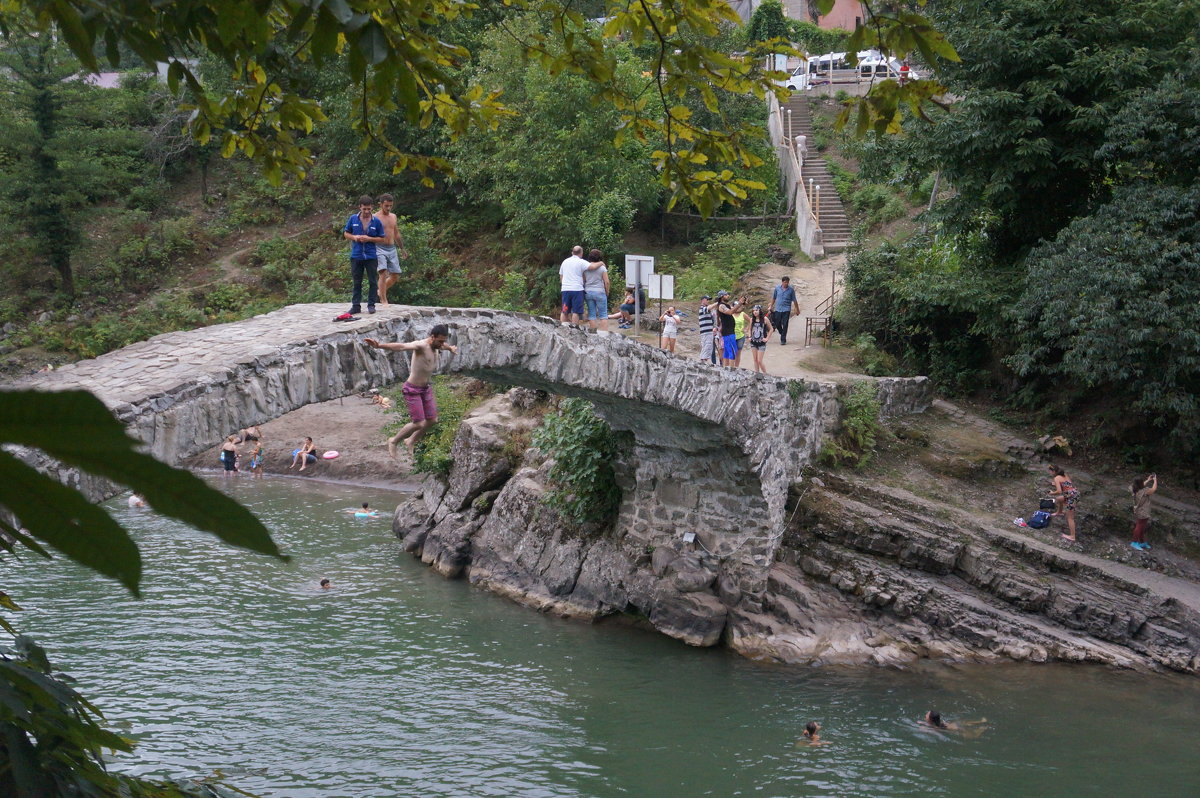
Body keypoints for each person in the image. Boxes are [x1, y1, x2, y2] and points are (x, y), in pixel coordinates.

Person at [364, 323, 459, 458]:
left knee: (432, 420)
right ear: (432, 337)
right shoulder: (421, 346)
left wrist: (450, 348)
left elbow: (444, 346)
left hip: (425, 388)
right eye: (440, 341)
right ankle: (393, 441)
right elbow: (401, 346)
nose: (442, 344)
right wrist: (379, 346)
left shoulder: (438, 345)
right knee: (418, 423)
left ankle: (410, 440)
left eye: (444, 341)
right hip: (412, 389)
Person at [343, 195, 387, 315]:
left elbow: (382, 239)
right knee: (357, 281)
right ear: (360, 207)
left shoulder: (376, 221)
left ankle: (371, 305)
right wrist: (354, 237)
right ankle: (355, 305)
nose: (367, 212)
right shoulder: (353, 219)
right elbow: (346, 233)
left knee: (373, 281)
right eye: (364, 209)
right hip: (356, 255)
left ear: (372, 207)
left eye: (369, 209)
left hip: (371, 256)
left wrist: (369, 238)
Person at [374, 193, 408, 306]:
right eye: (386, 206)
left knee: (395, 275)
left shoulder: (393, 216)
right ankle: (384, 300)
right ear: (380, 204)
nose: (388, 208)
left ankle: (380, 291)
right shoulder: (375, 217)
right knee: (383, 273)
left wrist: (402, 248)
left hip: (392, 248)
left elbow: (396, 233)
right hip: (379, 247)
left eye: (390, 206)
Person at [1048, 464, 1079, 542]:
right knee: (1059, 499)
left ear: (1053, 471)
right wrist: (1057, 484)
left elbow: (1059, 491)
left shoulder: (1056, 478)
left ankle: (1072, 536)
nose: (1049, 472)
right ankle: (1059, 512)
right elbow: (1069, 483)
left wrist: (1052, 493)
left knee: (1070, 518)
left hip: (1071, 497)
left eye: (1050, 471)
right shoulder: (1064, 475)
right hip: (1074, 494)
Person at [559, 245, 589, 323]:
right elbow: (592, 266)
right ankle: (574, 330)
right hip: (577, 289)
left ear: (572, 252)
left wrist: (564, 284)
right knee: (576, 311)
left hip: (566, 289)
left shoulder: (565, 261)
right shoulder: (581, 262)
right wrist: (600, 263)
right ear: (581, 253)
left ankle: (562, 328)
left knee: (564, 310)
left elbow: (561, 275)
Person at [583, 249, 611, 331]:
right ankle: (604, 335)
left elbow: (584, 280)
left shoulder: (586, 267)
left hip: (588, 292)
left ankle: (593, 334)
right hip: (599, 292)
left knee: (592, 314)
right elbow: (607, 282)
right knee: (603, 315)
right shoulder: (602, 268)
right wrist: (607, 291)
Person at [1130, 473, 1158, 551]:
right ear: (1141, 483)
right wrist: (1155, 480)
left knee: (1142, 527)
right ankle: (1134, 542)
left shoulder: (1133, 488)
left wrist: (1148, 480)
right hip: (1143, 512)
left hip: (1138, 510)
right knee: (1139, 526)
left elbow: (1140, 485)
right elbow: (1154, 489)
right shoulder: (1144, 491)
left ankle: (1141, 542)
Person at [770, 276, 800, 345]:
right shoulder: (777, 288)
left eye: (787, 282)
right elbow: (774, 298)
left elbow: (794, 300)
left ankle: (783, 340)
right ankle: (782, 332)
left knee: (785, 324)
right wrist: (771, 306)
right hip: (778, 308)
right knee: (777, 323)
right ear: (782, 282)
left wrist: (797, 309)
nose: (786, 283)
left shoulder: (791, 290)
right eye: (785, 282)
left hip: (786, 309)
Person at [748, 304, 774, 374]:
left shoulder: (765, 319)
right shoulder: (751, 319)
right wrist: (749, 336)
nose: (755, 312)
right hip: (753, 342)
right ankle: (757, 374)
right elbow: (749, 329)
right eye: (753, 311)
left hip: (761, 343)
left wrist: (767, 338)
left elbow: (771, 329)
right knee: (755, 360)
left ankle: (765, 374)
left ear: (760, 311)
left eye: (756, 310)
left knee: (759, 360)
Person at [716, 290, 738, 367]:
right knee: (732, 351)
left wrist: (743, 304)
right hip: (727, 332)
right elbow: (730, 312)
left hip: (730, 331)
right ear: (722, 296)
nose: (728, 296)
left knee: (728, 352)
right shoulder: (721, 306)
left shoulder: (726, 305)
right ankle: (732, 370)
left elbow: (737, 310)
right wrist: (740, 303)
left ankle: (725, 369)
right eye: (726, 295)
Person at [697, 295, 717, 364]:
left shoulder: (707, 309)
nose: (708, 301)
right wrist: (717, 303)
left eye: (709, 300)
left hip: (709, 330)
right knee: (707, 345)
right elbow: (708, 308)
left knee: (708, 346)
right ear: (703, 300)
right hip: (705, 331)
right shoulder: (702, 308)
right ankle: (704, 359)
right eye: (707, 299)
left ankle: (704, 359)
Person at [732, 297, 749, 368]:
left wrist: (746, 329)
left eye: (738, 306)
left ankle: (736, 367)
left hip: (740, 336)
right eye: (736, 307)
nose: (737, 308)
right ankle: (731, 366)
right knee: (732, 352)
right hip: (732, 335)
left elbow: (750, 320)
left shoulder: (743, 314)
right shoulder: (731, 314)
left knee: (738, 353)